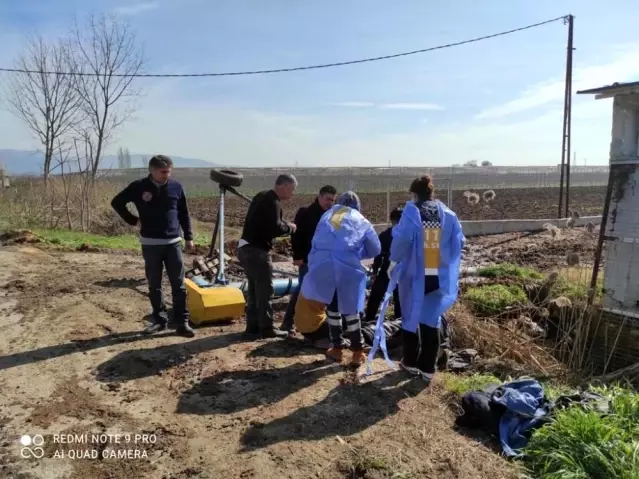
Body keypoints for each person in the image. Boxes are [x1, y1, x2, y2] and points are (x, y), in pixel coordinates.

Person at [389, 175, 465, 383]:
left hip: (415, 275)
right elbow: (460, 241)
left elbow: (402, 239)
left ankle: (410, 362)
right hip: (438, 277)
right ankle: (428, 367)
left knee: (410, 315)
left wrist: (393, 261)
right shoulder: (449, 215)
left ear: (414, 194)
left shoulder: (411, 213)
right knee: (431, 319)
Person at [111, 155, 196, 338]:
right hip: (150, 244)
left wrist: (188, 237)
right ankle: (160, 321)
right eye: (163, 172)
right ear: (152, 170)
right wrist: (134, 220)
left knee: (178, 285)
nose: (167, 175)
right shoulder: (138, 187)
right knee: (154, 284)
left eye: (169, 172)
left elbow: (184, 214)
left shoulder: (176, 187)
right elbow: (116, 202)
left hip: (173, 243)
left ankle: (182, 322)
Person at [301, 191, 381, 366]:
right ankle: (357, 352)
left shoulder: (328, 216)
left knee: (333, 308)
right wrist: (358, 252)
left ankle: (336, 348)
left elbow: (316, 243)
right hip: (348, 270)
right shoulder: (361, 220)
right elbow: (375, 249)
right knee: (351, 311)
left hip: (324, 268)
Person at [238, 174, 297, 339]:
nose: (292, 193)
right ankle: (267, 329)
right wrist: (290, 228)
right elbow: (275, 228)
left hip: (245, 248)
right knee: (265, 291)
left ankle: (252, 328)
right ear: (284, 186)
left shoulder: (261, 195)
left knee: (254, 290)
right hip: (257, 251)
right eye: (292, 189)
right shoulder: (273, 201)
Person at [280, 185, 338, 333]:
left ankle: (319, 323)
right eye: (327, 199)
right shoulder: (305, 212)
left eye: (332, 200)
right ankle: (287, 322)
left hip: (324, 261)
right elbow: (296, 235)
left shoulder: (332, 215)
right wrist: (298, 256)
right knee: (302, 290)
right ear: (319, 196)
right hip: (307, 259)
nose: (329, 202)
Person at [365, 206, 403, 323]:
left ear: (392, 220)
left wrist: (375, 270)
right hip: (402, 270)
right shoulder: (408, 234)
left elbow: (378, 254)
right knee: (399, 296)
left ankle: (369, 318)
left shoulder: (386, 234)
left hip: (387, 268)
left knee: (376, 294)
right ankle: (398, 320)